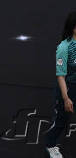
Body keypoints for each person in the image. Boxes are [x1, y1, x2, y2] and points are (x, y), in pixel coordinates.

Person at [45, 12, 76, 158]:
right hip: (68, 88)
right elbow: (61, 76)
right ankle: (51, 145)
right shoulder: (64, 48)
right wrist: (66, 98)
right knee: (61, 120)